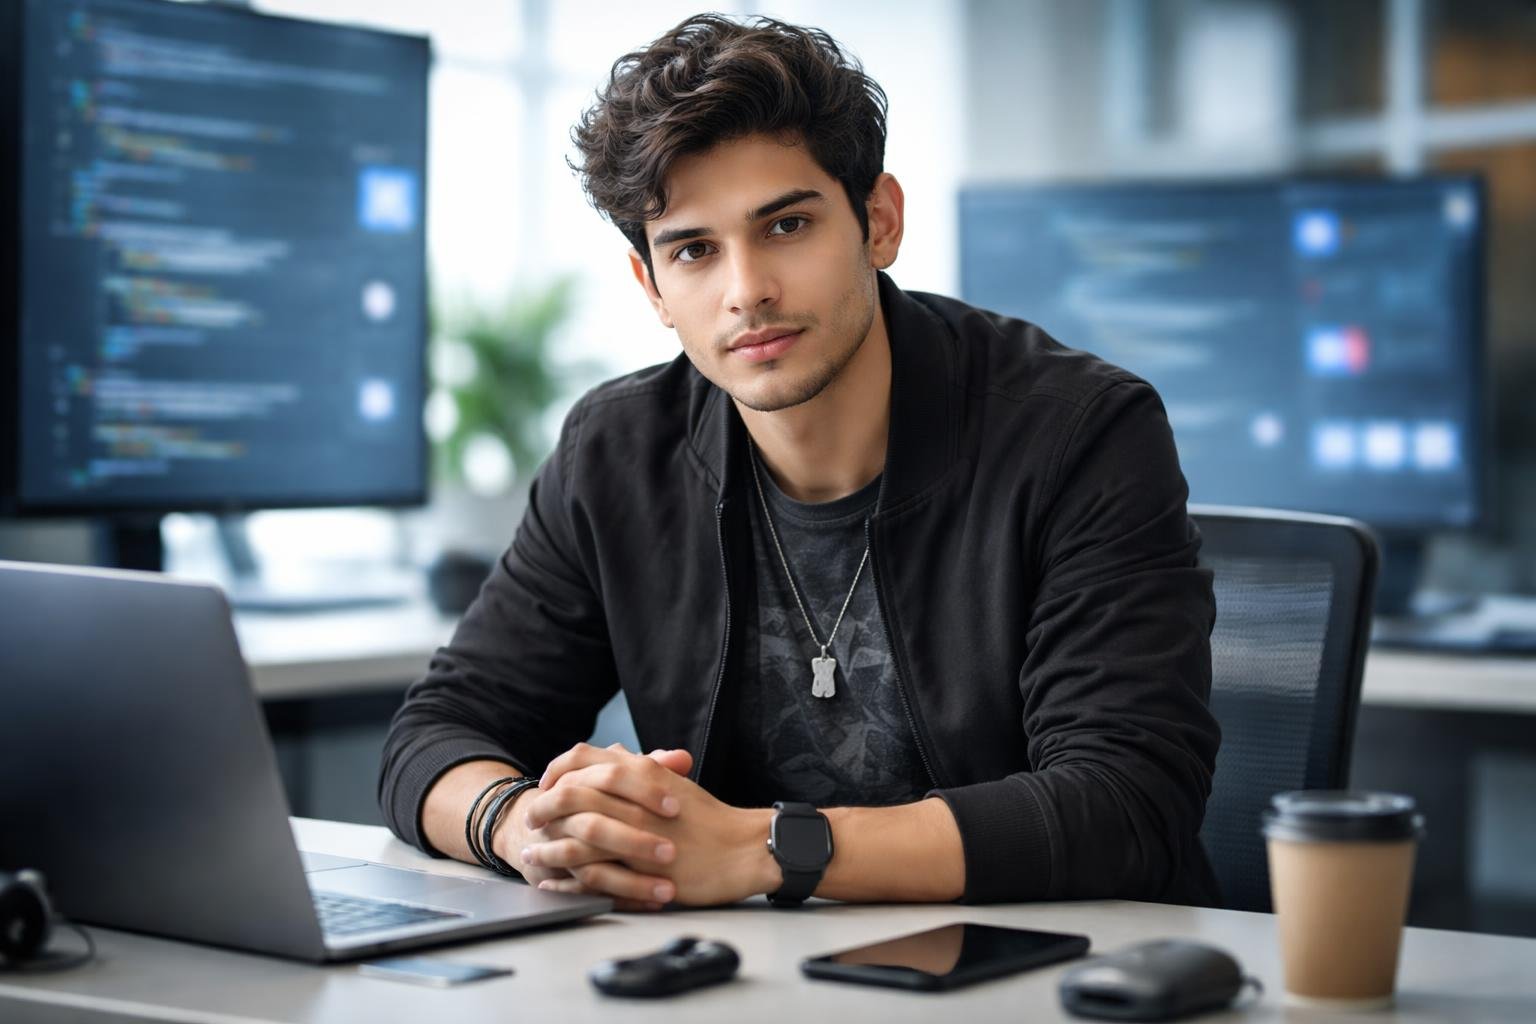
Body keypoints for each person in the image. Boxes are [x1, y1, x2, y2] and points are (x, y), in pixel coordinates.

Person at [379, 13, 1220, 912]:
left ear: (880, 221)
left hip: (1040, 968)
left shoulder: (1077, 431)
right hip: (750, 977)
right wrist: (526, 827)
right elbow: (436, 733)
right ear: (652, 287)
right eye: (694, 250)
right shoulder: (617, 452)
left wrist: (759, 848)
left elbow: (1125, 803)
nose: (747, 291)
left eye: (785, 225)